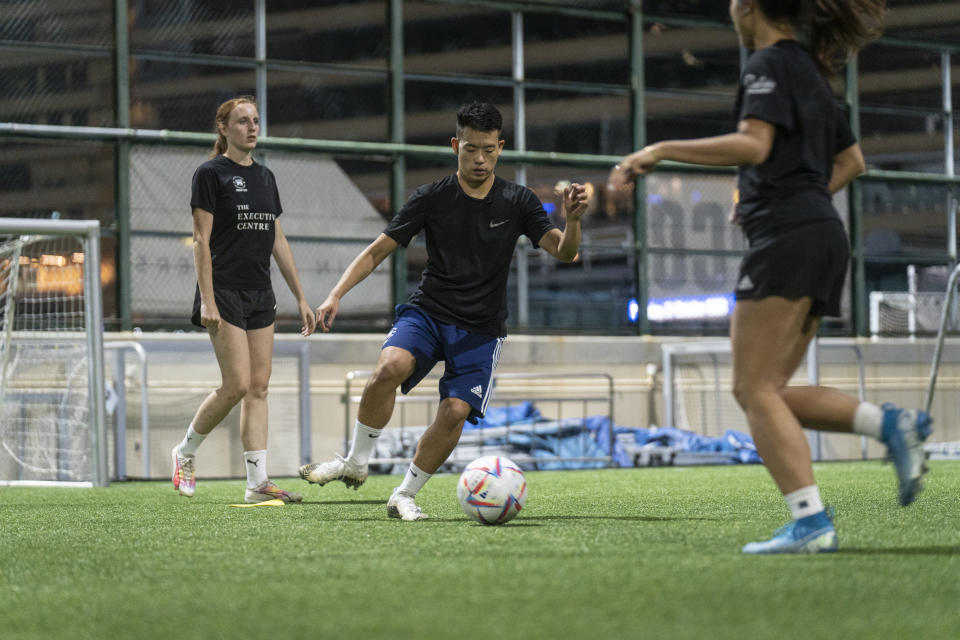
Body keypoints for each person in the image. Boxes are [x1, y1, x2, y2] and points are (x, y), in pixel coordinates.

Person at [609, 0, 932, 554]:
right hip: (822, 235)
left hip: (788, 238)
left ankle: (811, 523)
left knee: (751, 388)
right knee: (772, 391)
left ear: (749, 7)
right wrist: (787, 197)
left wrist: (658, 150)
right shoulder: (809, 68)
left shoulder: (766, 64)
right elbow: (852, 162)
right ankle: (890, 423)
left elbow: (754, 144)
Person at [298, 101, 588, 520]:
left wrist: (574, 221)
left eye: (489, 149)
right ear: (456, 145)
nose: (480, 158)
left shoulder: (518, 201)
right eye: (471, 148)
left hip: (482, 329)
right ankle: (357, 463)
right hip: (429, 313)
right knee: (389, 367)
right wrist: (336, 294)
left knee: (455, 411)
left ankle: (403, 494)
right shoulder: (432, 197)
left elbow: (564, 252)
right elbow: (379, 250)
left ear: (501, 147)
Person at [171, 96, 316, 503]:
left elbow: (278, 240)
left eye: (255, 120)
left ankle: (257, 483)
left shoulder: (266, 178)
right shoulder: (210, 174)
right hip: (224, 291)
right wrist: (208, 300)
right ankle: (185, 452)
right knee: (235, 385)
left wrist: (302, 298)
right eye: (242, 121)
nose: (251, 127)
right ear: (224, 128)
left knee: (260, 386)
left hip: (260, 293)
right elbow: (200, 239)